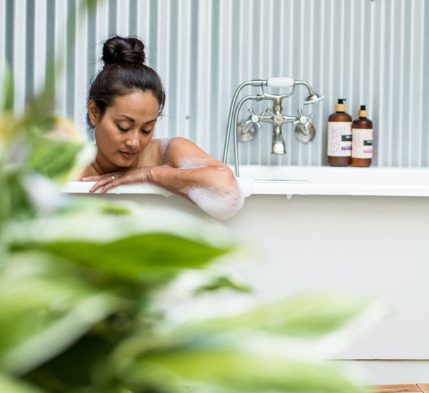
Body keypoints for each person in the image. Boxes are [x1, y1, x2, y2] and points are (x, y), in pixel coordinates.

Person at [80, 36, 243, 220]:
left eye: (146, 129)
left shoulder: (168, 153)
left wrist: (149, 174)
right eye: (123, 127)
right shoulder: (71, 169)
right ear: (94, 113)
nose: (135, 142)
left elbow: (226, 190)